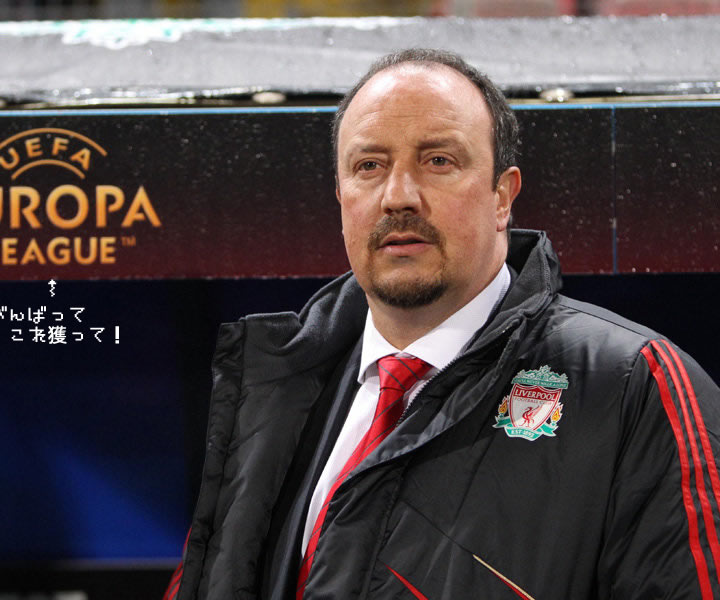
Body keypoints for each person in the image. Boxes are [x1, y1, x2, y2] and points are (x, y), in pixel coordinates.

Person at [164, 48, 720, 600]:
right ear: (340, 196)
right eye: (369, 166)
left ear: (502, 196)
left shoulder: (636, 386)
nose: (397, 197)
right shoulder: (274, 391)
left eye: (438, 161)